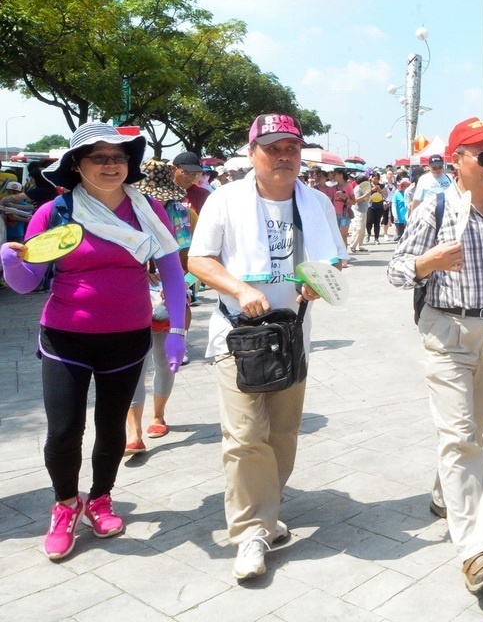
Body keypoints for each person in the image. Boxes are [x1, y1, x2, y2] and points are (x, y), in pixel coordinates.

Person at [1, 123, 188, 561]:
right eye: (99, 157)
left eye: (119, 157)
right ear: (77, 166)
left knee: (111, 429)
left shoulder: (148, 211)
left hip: (128, 336)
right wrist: (10, 260)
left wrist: (177, 330)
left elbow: (174, 273)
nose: (111, 165)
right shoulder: (57, 213)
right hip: (66, 337)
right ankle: (66, 505)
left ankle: (101, 499)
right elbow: (28, 283)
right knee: (64, 430)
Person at [187, 113, 347, 581]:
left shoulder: (316, 202)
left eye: (291, 149)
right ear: (251, 151)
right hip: (237, 334)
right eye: (272, 148)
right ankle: (252, 531)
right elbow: (199, 259)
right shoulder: (225, 200)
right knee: (242, 436)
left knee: (282, 433)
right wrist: (238, 289)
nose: (283, 156)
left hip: (292, 335)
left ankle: (265, 508)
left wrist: (323, 280)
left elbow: (335, 257)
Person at [388, 117, 483, 594]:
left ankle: (443, 495)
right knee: (461, 436)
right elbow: (395, 270)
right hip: (446, 330)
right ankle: (475, 548)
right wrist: (426, 263)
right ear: (457, 161)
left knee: (471, 430)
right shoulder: (434, 207)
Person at [126, 159, 194, 454]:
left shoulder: (181, 212)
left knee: (164, 361)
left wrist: (180, 285)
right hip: (130, 298)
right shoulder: (125, 215)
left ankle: (158, 416)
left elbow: (192, 259)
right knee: (132, 365)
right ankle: (133, 430)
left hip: (170, 298)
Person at [365, 173, 387, 244]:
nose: (376, 180)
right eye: (375, 178)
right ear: (371, 178)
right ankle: (368, 233)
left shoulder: (382, 186)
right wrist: (371, 190)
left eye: (377, 179)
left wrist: (380, 190)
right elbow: (365, 195)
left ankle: (376, 238)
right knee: (369, 221)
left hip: (379, 206)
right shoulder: (368, 185)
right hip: (370, 206)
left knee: (377, 223)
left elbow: (386, 196)